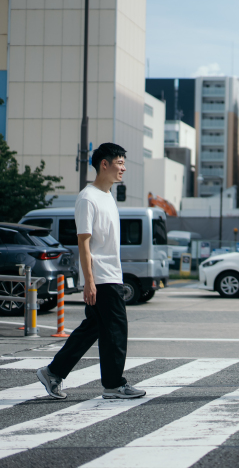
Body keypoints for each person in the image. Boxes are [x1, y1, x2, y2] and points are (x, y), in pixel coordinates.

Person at [37, 143, 145, 400]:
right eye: (119, 163)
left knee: (94, 328)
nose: (123, 168)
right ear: (104, 164)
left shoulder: (107, 196)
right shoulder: (88, 198)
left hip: (110, 274)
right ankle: (113, 384)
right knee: (116, 330)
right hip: (102, 277)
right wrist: (89, 281)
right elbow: (83, 243)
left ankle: (53, 372)